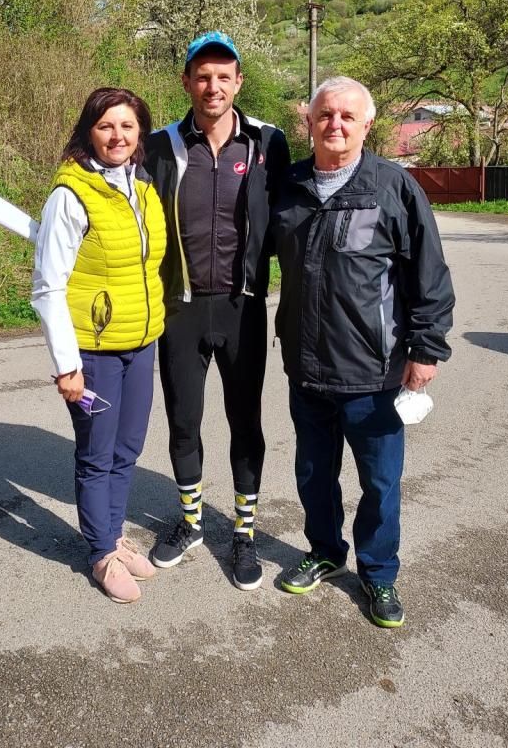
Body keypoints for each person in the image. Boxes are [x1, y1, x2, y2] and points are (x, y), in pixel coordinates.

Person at [272, 76, 454, 627]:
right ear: (309, 122)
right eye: (326, 114)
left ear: (367, 125)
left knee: (379, 483)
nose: (336, 124)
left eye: (348, 116)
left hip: (374, 373)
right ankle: (326, 552)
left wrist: (426, 349)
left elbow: (429, 276)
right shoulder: (289, 186)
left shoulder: (393, 186)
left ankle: (378, 573)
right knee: (313, 474)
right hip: (307, 368)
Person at [144, 31, 290, 590]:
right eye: (202, 76)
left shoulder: (267, 142)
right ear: (186, 82)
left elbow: (291, 217)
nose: (213, 86)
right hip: (179, 308)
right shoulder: (159, 146)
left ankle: (244, 532)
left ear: (238, 82)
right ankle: (191, 522)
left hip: (242, 307)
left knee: (244, 421)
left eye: (223, 76)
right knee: (183, 420)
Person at [31, 88, 167, 604]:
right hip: (94, 351)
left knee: (127, 448)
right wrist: (68, 366)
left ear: (140, 132)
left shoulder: (143, 186)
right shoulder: (70, 195)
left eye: (127, 126)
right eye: (106, 126)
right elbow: (48, 287)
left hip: (141, 342)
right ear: (89, 131)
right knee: (96, 454)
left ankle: (113, 535)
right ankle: (101, 553)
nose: (117, 136)